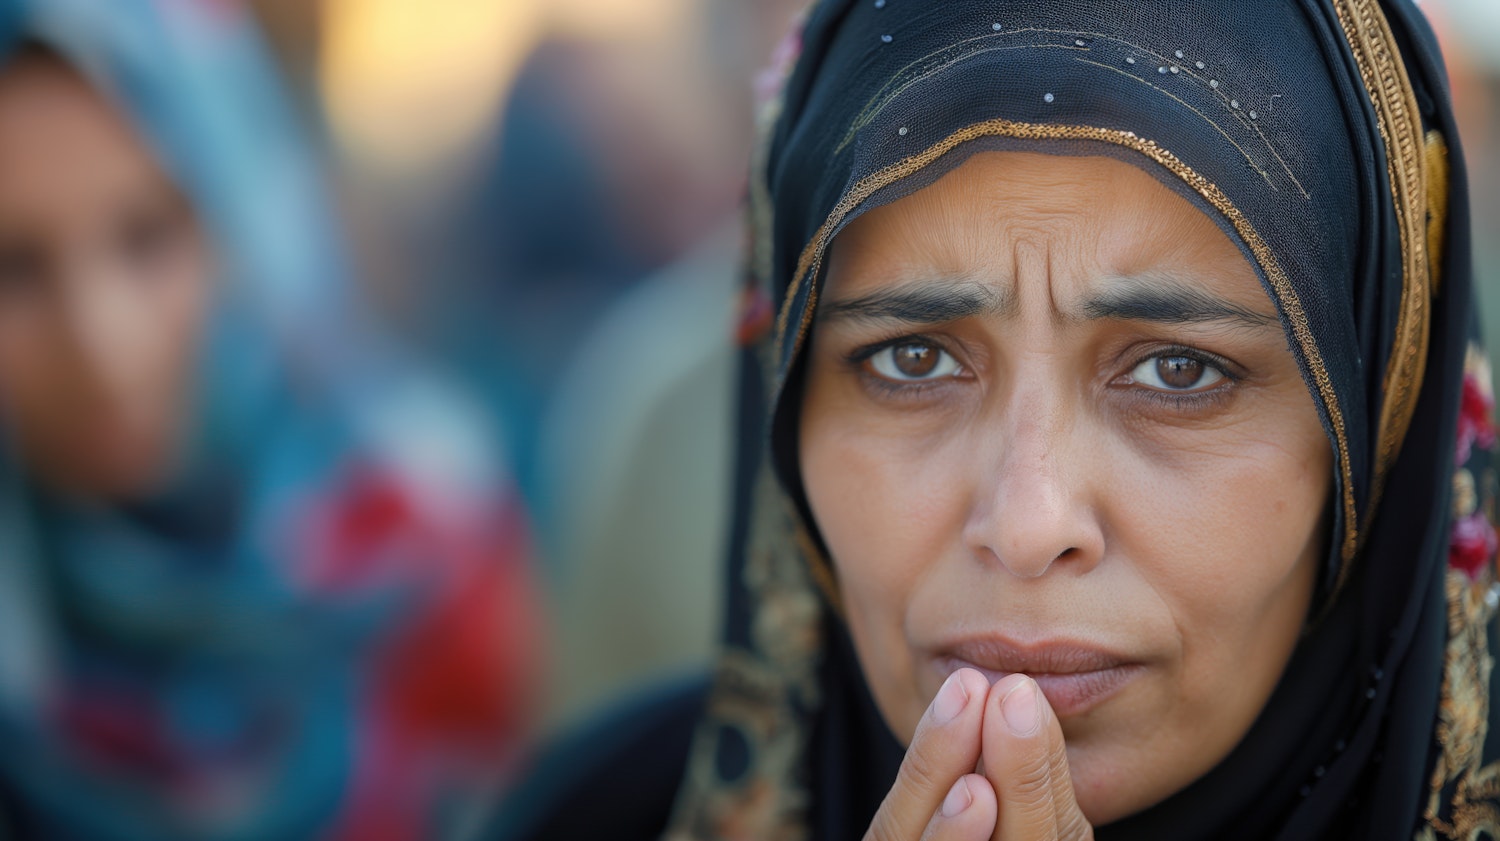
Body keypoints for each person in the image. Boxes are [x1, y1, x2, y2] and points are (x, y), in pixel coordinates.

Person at [497, 0, 1497, 839]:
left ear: (1374, 424)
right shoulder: (596, 815)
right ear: (790, 389)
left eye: (1179, 370)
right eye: (912, 358)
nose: (1027, 524)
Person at [0, 2, 536, 839]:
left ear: (249, 219)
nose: (103, 341)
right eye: (15, 268)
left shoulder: (423, 535)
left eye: (147, 237)